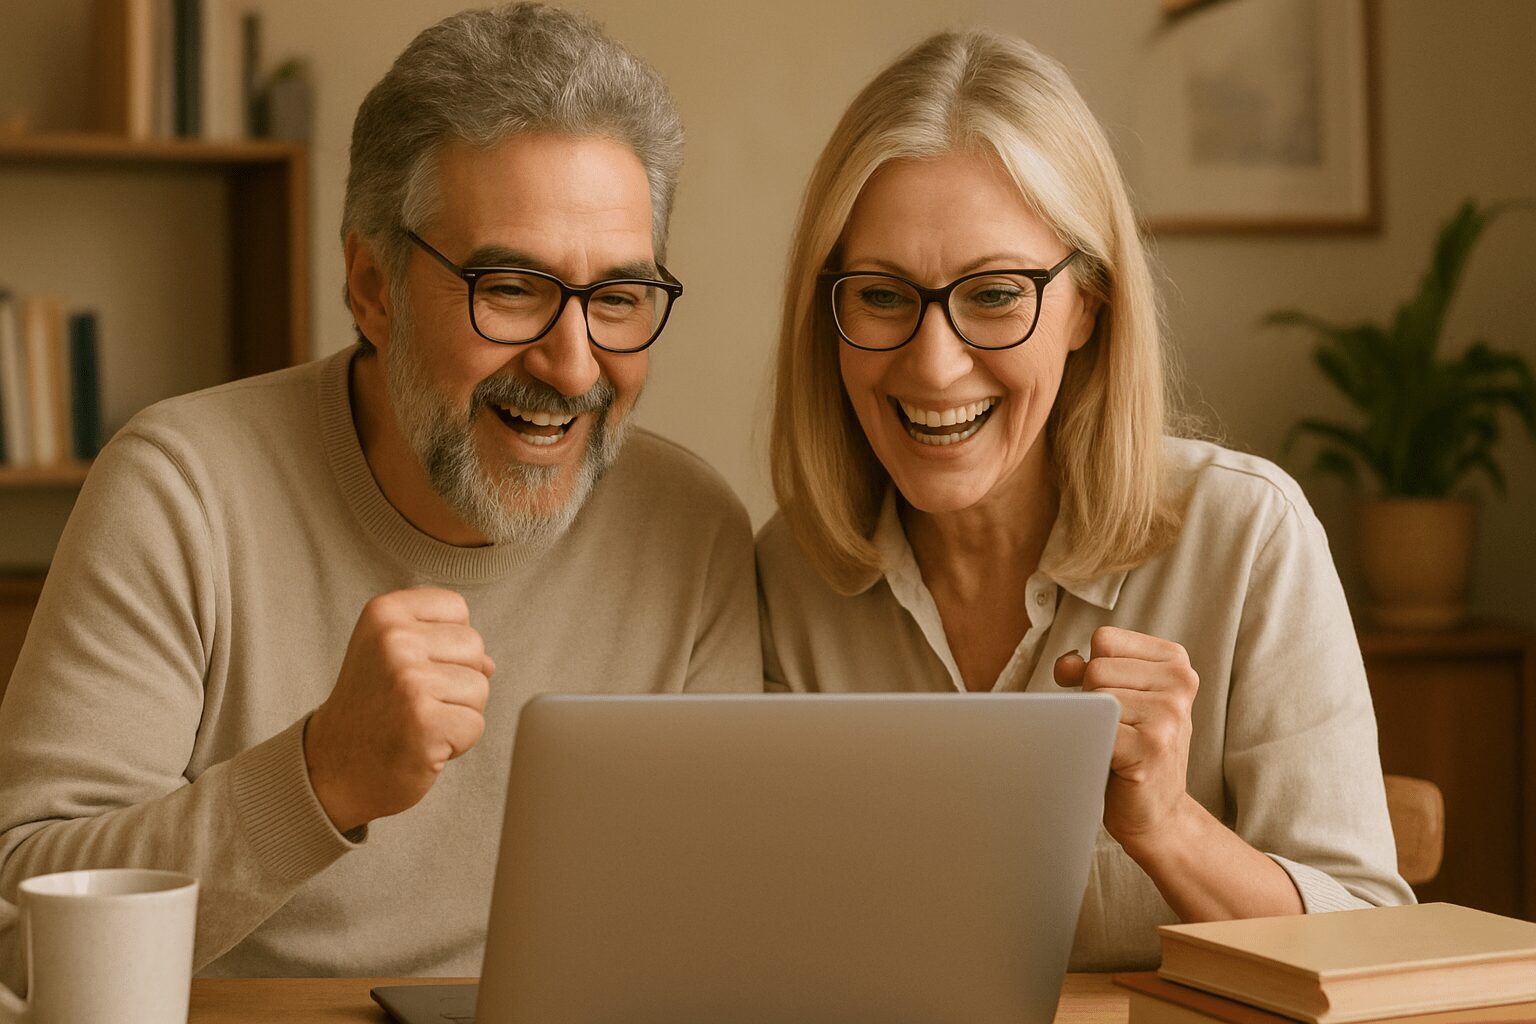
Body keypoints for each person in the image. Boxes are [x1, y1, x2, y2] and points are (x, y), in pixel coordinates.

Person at [0, 2, 759, 984]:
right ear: (372, 285)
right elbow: (18, 932)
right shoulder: (178, 490)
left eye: (616, 297)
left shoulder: (692, 534)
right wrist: (316, 779)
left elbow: (730, 930)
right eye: (513, 287)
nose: (574, 366)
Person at [756, 28, 1413, 970]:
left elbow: (1375, 957)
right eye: (882, 296)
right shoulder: (791, 572)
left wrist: (1170, 826)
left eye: (994, 294)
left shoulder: (1250, 539)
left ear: (1088, 304)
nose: (934, 365)